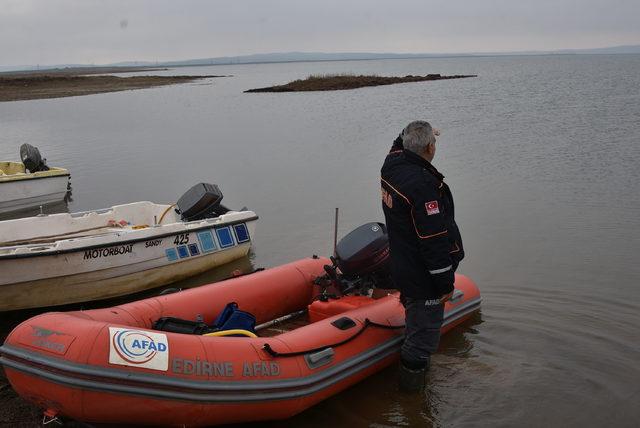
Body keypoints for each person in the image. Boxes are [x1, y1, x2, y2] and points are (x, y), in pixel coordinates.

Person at [380, 120, 464, 392]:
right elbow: (433, 240)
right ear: (430, 147)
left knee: (415, 318)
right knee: (422, 343)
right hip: (422, 275)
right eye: (433, 142)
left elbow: (397, 145)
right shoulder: (422, 185)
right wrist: (445, 284)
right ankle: (413, 401)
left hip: (401, 264)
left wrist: (413, 135)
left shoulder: (391, 166)